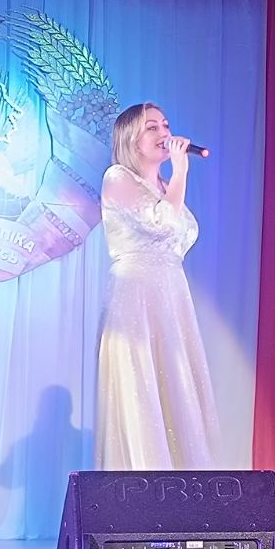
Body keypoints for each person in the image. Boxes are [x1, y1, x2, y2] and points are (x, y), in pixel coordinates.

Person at [96, 103, 221, 469]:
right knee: (143, 390)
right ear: (130, 139)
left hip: (171, 293)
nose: (164, 133)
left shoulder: (164, 188)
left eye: (165, 125)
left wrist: (174, 179)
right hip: (136, 296)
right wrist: (181, 172)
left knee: (176, 384)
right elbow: (163, 223)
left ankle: (185, 487)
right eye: (152, 127)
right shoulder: (117, 177)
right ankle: (144, 484)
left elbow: (180, 232)